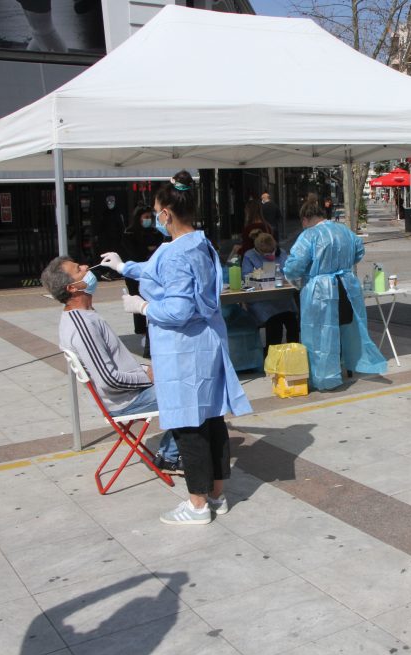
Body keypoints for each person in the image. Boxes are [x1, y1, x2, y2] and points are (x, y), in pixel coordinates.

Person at [100, 170, 252, 526]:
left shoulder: (175, 253)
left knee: (188, 425)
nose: (154, 217)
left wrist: (143, 307)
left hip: (183, 350)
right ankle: (217, 495)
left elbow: (179, 307)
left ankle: (197, 505)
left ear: (165, 213)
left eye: (155, 210)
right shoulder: (198, 243)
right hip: (205, 345)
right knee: (211, 418)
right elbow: (158, 270)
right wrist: (125, 266)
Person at [39, 256, 183, 476]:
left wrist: (149, 371)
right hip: (124, 400)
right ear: (73, 287)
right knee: (192, 390)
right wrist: (149, 377)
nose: (86, 267)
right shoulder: (82, 326)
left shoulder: (85, 315)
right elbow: (109, 380)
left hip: (128, 392)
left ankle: (174, 451)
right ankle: (170, 455)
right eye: (79, 270)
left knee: (186, 376)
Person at [283, 194, 387, 391]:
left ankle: (324, 378)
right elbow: (359, 251)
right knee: (342, 329)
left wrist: (304, 275)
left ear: (305, 219)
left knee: (319, 334)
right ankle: (345, 366)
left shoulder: (309, 235)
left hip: (320, 290)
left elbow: (293, 266)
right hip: (346, 286)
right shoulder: (345, 231)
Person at [242, 232, 299, 351]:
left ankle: (294, 353)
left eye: (272, 251)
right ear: (258, 250)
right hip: (262, 300)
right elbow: (245, 277)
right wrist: (260, 275)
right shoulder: (249, 256)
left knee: (293, 323)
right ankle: (272, 355)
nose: (270, 255)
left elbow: (290, 271)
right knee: (274, 323)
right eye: (266, 254)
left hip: (282, 298)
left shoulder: (281, 253)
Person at [122, 205, 166, 355]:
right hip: (135, 275)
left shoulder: (155, 232)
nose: (147, 220)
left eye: (149, 217)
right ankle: (142, 333)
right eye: (145, 217)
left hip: (153, 273)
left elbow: (159, 249)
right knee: (138, 301)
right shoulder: (130, 233)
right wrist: (147, 250)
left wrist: (149, 250)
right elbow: (135, 254)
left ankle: (151, 333)